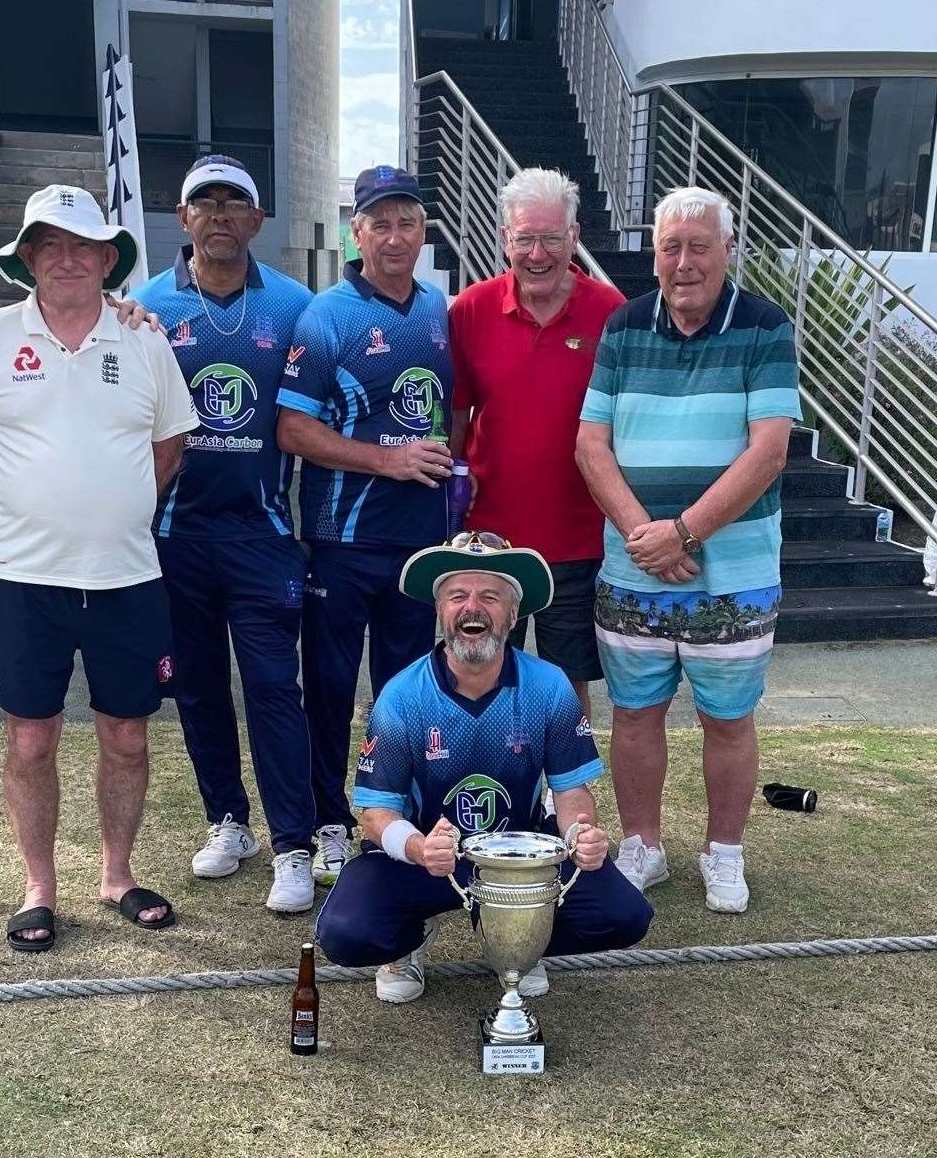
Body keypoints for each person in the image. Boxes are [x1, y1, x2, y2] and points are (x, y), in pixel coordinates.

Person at [0, 185, 199, 952]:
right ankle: (38, 887)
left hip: (128, 575)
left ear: (106, 259)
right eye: (48, 245)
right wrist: (33, 508)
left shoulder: (145, 338)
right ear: (26, 258)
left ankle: (116, 875)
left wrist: (116, 506)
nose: (66, 259)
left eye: (82, 245)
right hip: (26, 578)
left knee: (125, 735)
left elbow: (169, 446)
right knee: (31, 739)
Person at [575, 187, 800, 912]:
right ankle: (641, 847)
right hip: (633, 568)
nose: (682, 262)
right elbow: (589, 443)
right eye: (669, 247)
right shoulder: (623, 325)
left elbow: (767, 453)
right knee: (634, 714)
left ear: (726, 251)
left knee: (727, 718)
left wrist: (684, 533)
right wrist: (650, 537)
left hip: (732, 574)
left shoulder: (764, 328)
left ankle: (723, 853)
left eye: (698, 246)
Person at [314, 532, 652, 1004]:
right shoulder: (402, 695)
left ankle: (516, 939)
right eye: (458, 596)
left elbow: (573, 795)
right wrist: (417, 848)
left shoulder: (549, 686)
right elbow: (375, 814)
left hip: (519, 863)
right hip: (427, 858)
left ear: (514, 615)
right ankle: (410, 940)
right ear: (440, 611)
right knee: (348, 934)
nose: (472, 608)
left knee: (623, 915)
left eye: (490, 596)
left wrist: (583, 836)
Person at [132, 155, 318, 913]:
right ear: (182, 219)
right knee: (199, 688)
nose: (217, 215)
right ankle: (228, 820)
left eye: (232, 202)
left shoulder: (298, 306)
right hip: (174, 534)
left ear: (255, 220)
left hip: (264, 531)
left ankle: (294, 845)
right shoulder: (142, 307)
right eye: (201, 202)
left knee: (275, 688)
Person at [276, 166, 453, 886]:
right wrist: (387, 459)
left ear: (421, 232)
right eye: (379, 223)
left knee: (407, 696)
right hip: (343, 544)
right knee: (327, 687)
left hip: (420, 546)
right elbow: (291, 429)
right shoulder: (327, 316)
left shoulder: (438, 308)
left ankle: (396, 823)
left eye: (406, 222)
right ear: (357, 232)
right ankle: (328, 822)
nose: (393, 236)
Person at [449, 167, 625, 720]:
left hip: (578, 539)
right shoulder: (471, 309)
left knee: (567, 687)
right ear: (505, 239)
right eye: (525, 238)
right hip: (489, 539)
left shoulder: (610, 310)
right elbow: (456, 417)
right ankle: (488, 789)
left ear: (574, 237)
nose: (538, 252)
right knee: (478, 675)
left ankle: (563, 799)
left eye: (552, 237)